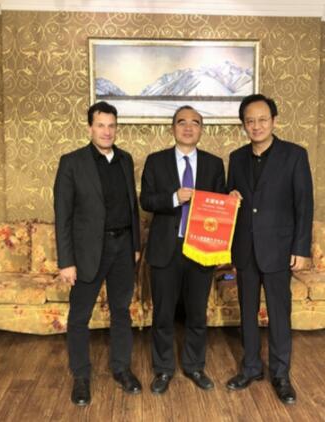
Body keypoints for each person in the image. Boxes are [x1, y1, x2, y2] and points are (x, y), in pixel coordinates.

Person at [225, 94, 313, 405]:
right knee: (247, 313)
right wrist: (230, 196)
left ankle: (280, 374)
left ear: (274, 121)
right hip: (245, 249)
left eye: (262, 119)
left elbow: (304, 204)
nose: (257, 126)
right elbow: (231, 199)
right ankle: (250, 368)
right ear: (243, 125)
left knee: (278, 314)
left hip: (279, 249)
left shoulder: (295, 155)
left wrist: (301, 248)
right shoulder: (236, 157)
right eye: (250, 121)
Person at [53, 101, 142, 406]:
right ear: (90, 127)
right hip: (88, 252)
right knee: (80, 317)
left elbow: (132, 207)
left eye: (111, 125)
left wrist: (135, 246)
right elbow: (63, 216)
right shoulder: (71, 162)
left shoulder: (125, 159)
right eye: (101, 125)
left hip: (123, 249)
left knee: (121, 312)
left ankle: (121, 369)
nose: (106, 131)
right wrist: (66, 262)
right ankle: (81, 377)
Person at [140, 106, 226, 394]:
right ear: (173, 128)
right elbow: (146, 200)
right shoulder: (156, 161)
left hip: (202, 247)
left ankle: (194, 366)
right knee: (163, 314)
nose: (188, 128)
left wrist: (231, 200)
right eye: (182, 122)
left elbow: (220, 205)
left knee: (197, 312)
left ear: (201, 129)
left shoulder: (214, 164)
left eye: (195, 123)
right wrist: (174, 198)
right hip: (167, 247)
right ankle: (163, 369)